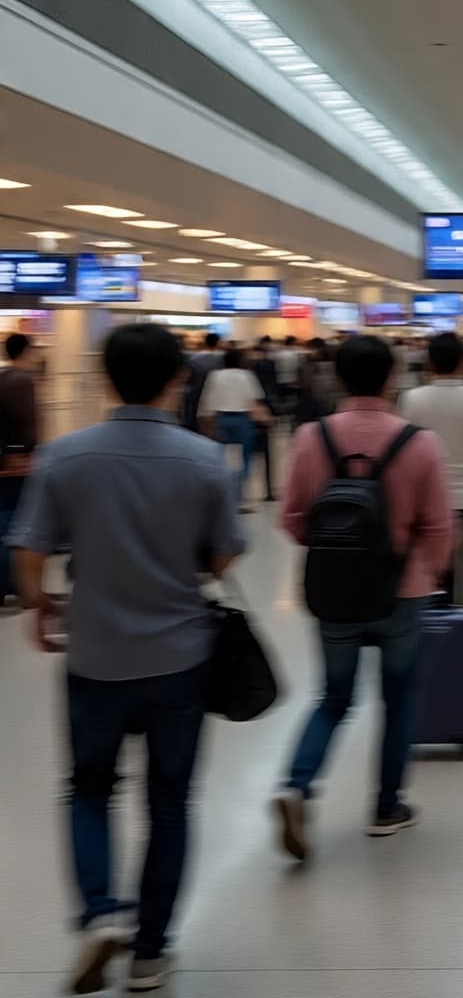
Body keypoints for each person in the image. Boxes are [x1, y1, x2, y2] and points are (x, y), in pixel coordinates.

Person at [8, 324, 245, 994]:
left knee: (88, 788)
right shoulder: (204, 459)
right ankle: (149, 953)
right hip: (180, 658)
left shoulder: (65, 456)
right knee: (169, 803)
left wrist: (41, 605)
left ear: (105, 380)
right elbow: (226, 551)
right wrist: (186, 568)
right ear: (179, 380)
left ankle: (100, 912)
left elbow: (28, 549)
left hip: (95, 656)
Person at [274, 335, 455, 857]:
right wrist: (425, 571)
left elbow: (291, 518)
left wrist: (332, 550)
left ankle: (297, 786)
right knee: (399, 699)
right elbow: (439, 527)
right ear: (393, 378)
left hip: (334, 592)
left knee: (334, 698)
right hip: (402, 590)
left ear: (337, 377)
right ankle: (386, 807)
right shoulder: (419, 443)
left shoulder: (311, 438)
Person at [401, 332, 463, 606]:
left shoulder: (412, 399)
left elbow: (404, 446)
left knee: (428, 569)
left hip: (425, 499)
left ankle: (431, 621)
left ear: (429, 363)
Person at [198, 345, 267, 512]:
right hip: (242, 419)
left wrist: (206, 422)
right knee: (244, 459)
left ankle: (223, 498)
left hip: (221, 419)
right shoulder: (247, 375)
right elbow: (255, 400)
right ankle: (240, 499)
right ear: (241, 361)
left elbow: (207, 400)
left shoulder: (215, 375)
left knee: (221, 459)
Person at [0, 332, 40, 606]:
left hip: (3, 463)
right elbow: (27, 425)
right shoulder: (22, 380)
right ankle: (14, 584)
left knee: (4, 520)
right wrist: (26, 451)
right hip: (19, 464)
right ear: (25, 352)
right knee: (17, 524)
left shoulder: (2, 377)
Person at [249, 340, 282, 503]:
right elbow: (274, 387)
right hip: (267, 408)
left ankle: (252, 490)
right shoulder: (271, 364)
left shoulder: (250, 366)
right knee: (269, 453)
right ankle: (269, 489)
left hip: (254, 410)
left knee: (251, 453)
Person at [182, 332, 222, 431]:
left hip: (196, 389)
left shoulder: (194, 358)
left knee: (193, 414)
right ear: (218, 343)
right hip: (215, 391)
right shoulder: (222, 358)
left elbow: (188, 376)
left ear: (205, 342)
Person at [274, 334, 303, 420]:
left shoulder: (278, 354)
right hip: (292, 380)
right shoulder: (294, 354)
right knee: (292, 400)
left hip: (280, 379)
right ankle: (291, 415)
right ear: (292, 343)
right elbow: (297, 367)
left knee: (282, 400)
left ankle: (283, 416)